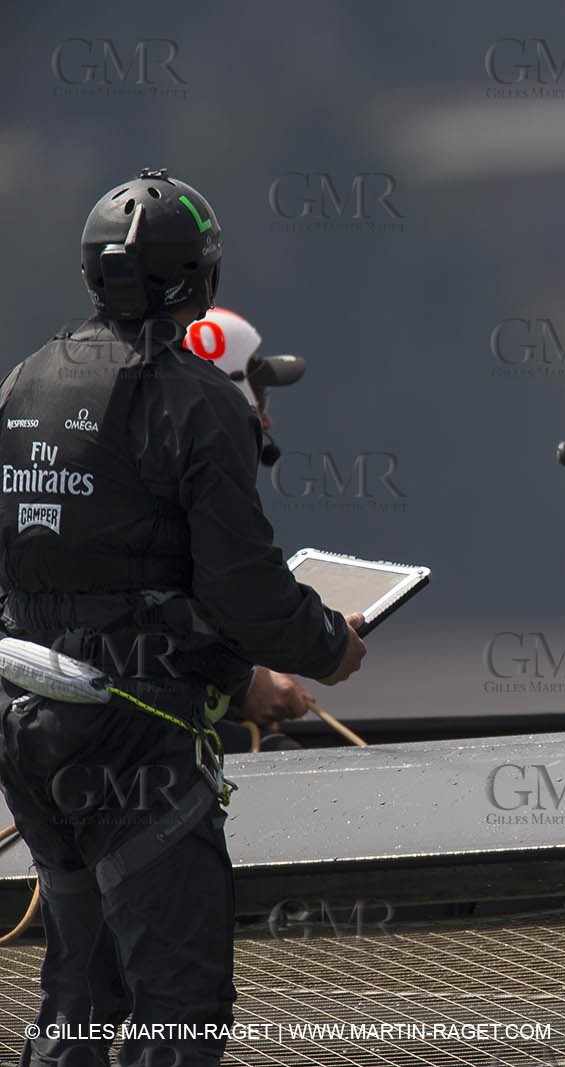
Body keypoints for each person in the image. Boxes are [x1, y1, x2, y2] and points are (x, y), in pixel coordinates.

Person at [0, 169, 366, 1067]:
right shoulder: (199, 399)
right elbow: (246, 594)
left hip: (27, 722)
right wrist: (331, 645)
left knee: (80, 991)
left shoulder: (23, 383)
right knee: (178, 1003)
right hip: (137, 737)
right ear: (200, 281)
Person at [185, 307, 318, 753]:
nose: (266, 421)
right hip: (143, 733)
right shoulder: (205, 490)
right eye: (259, 398)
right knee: (284, 758)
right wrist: (246, 682)